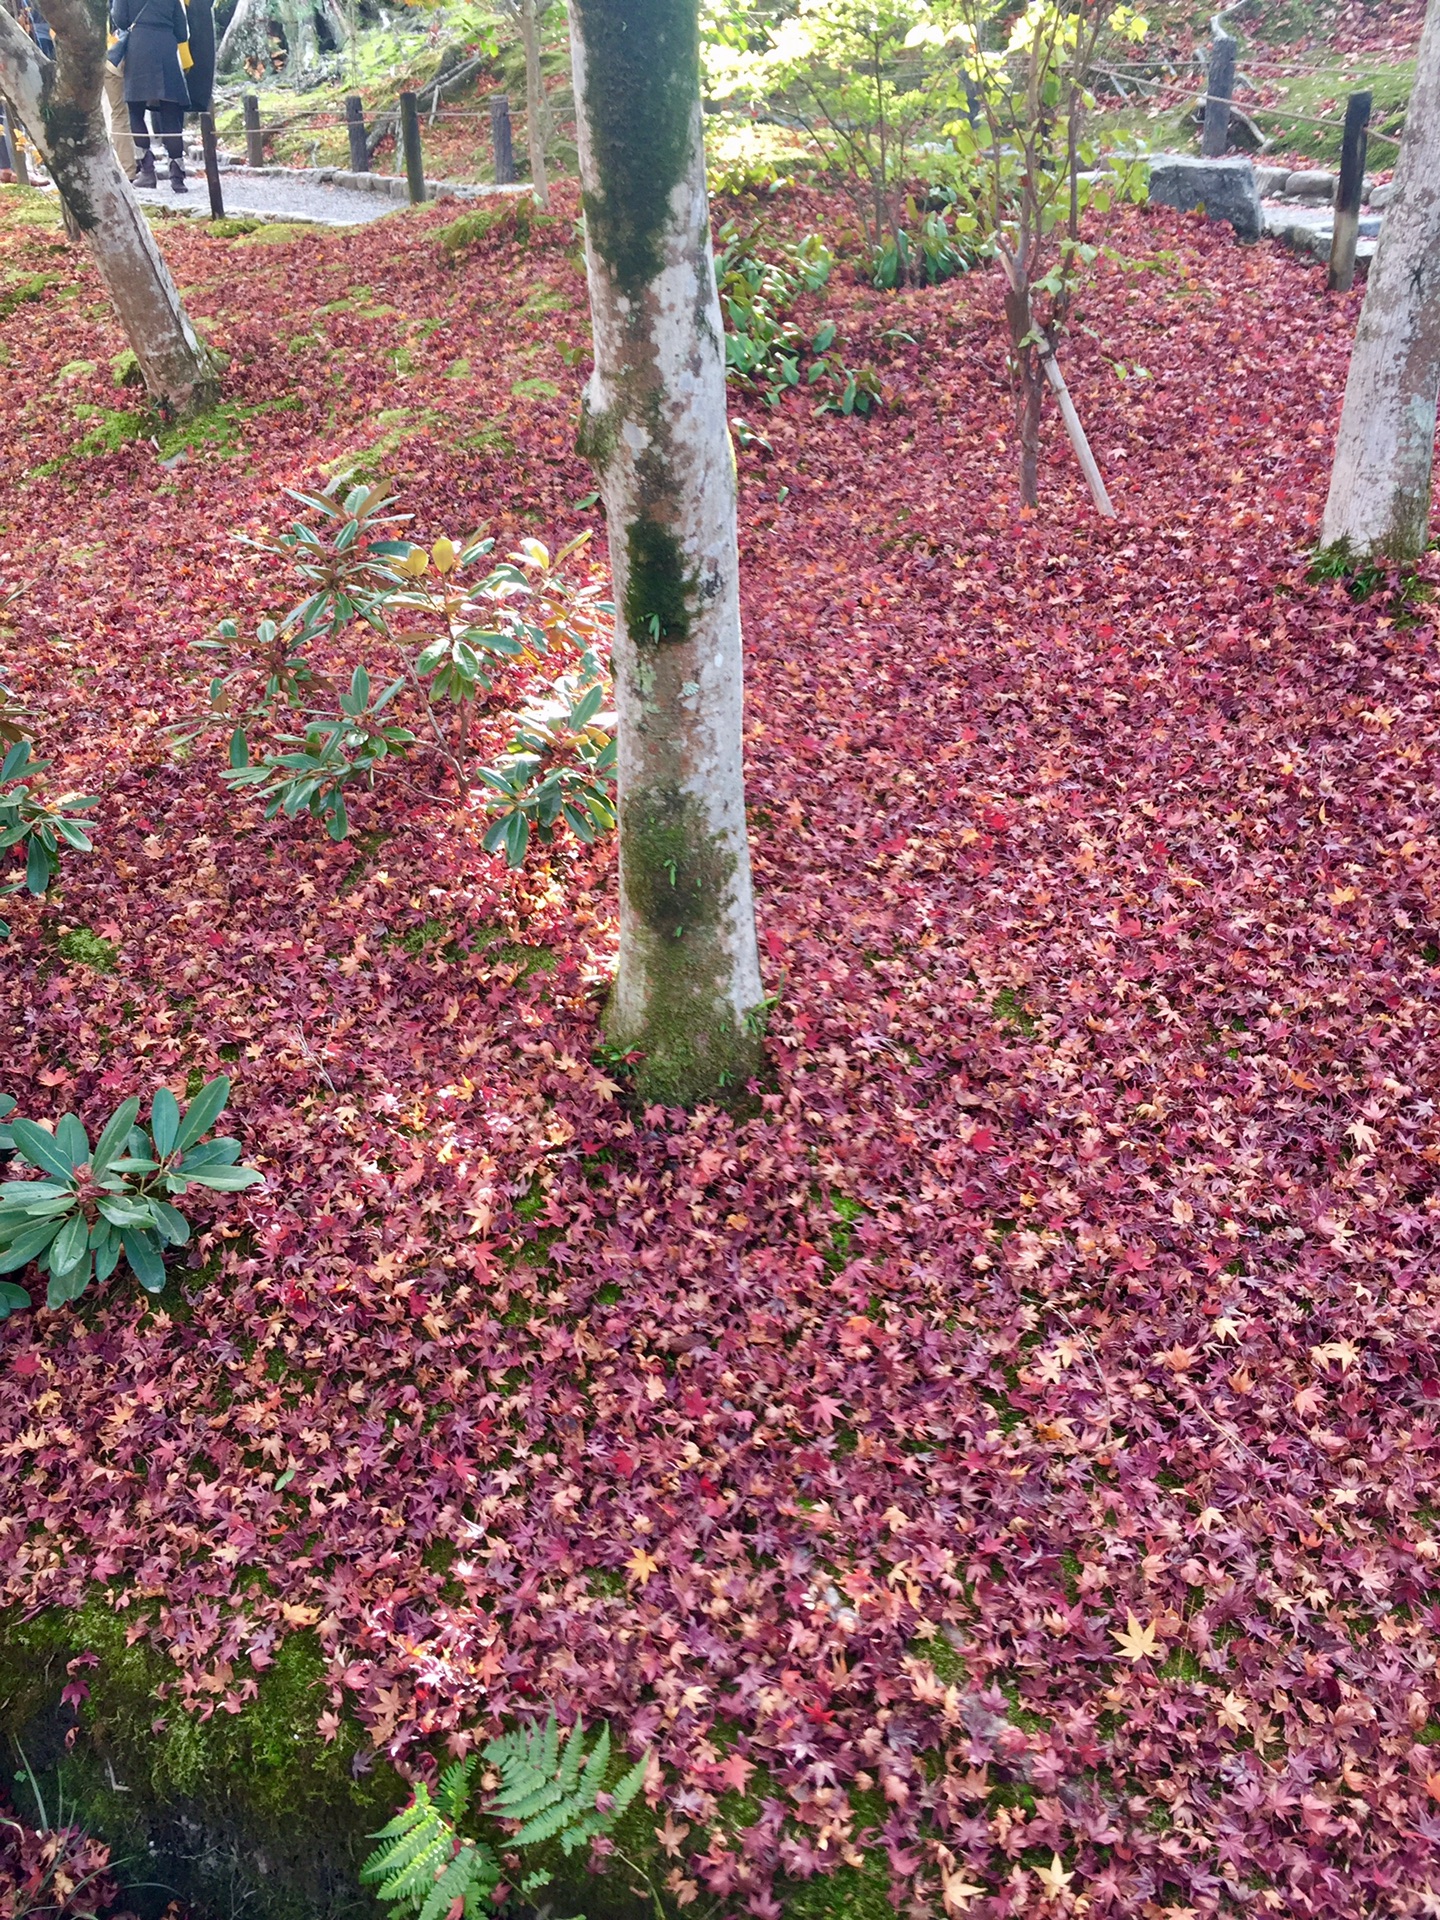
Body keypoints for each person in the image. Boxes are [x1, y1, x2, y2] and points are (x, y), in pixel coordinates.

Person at [110, 0, 191, 193]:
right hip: (166, 48)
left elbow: (120, 20)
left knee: (135, 111)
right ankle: (177, 175)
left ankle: (147, 171)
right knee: (170, 114)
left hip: (139, 47)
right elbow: (182, 33)